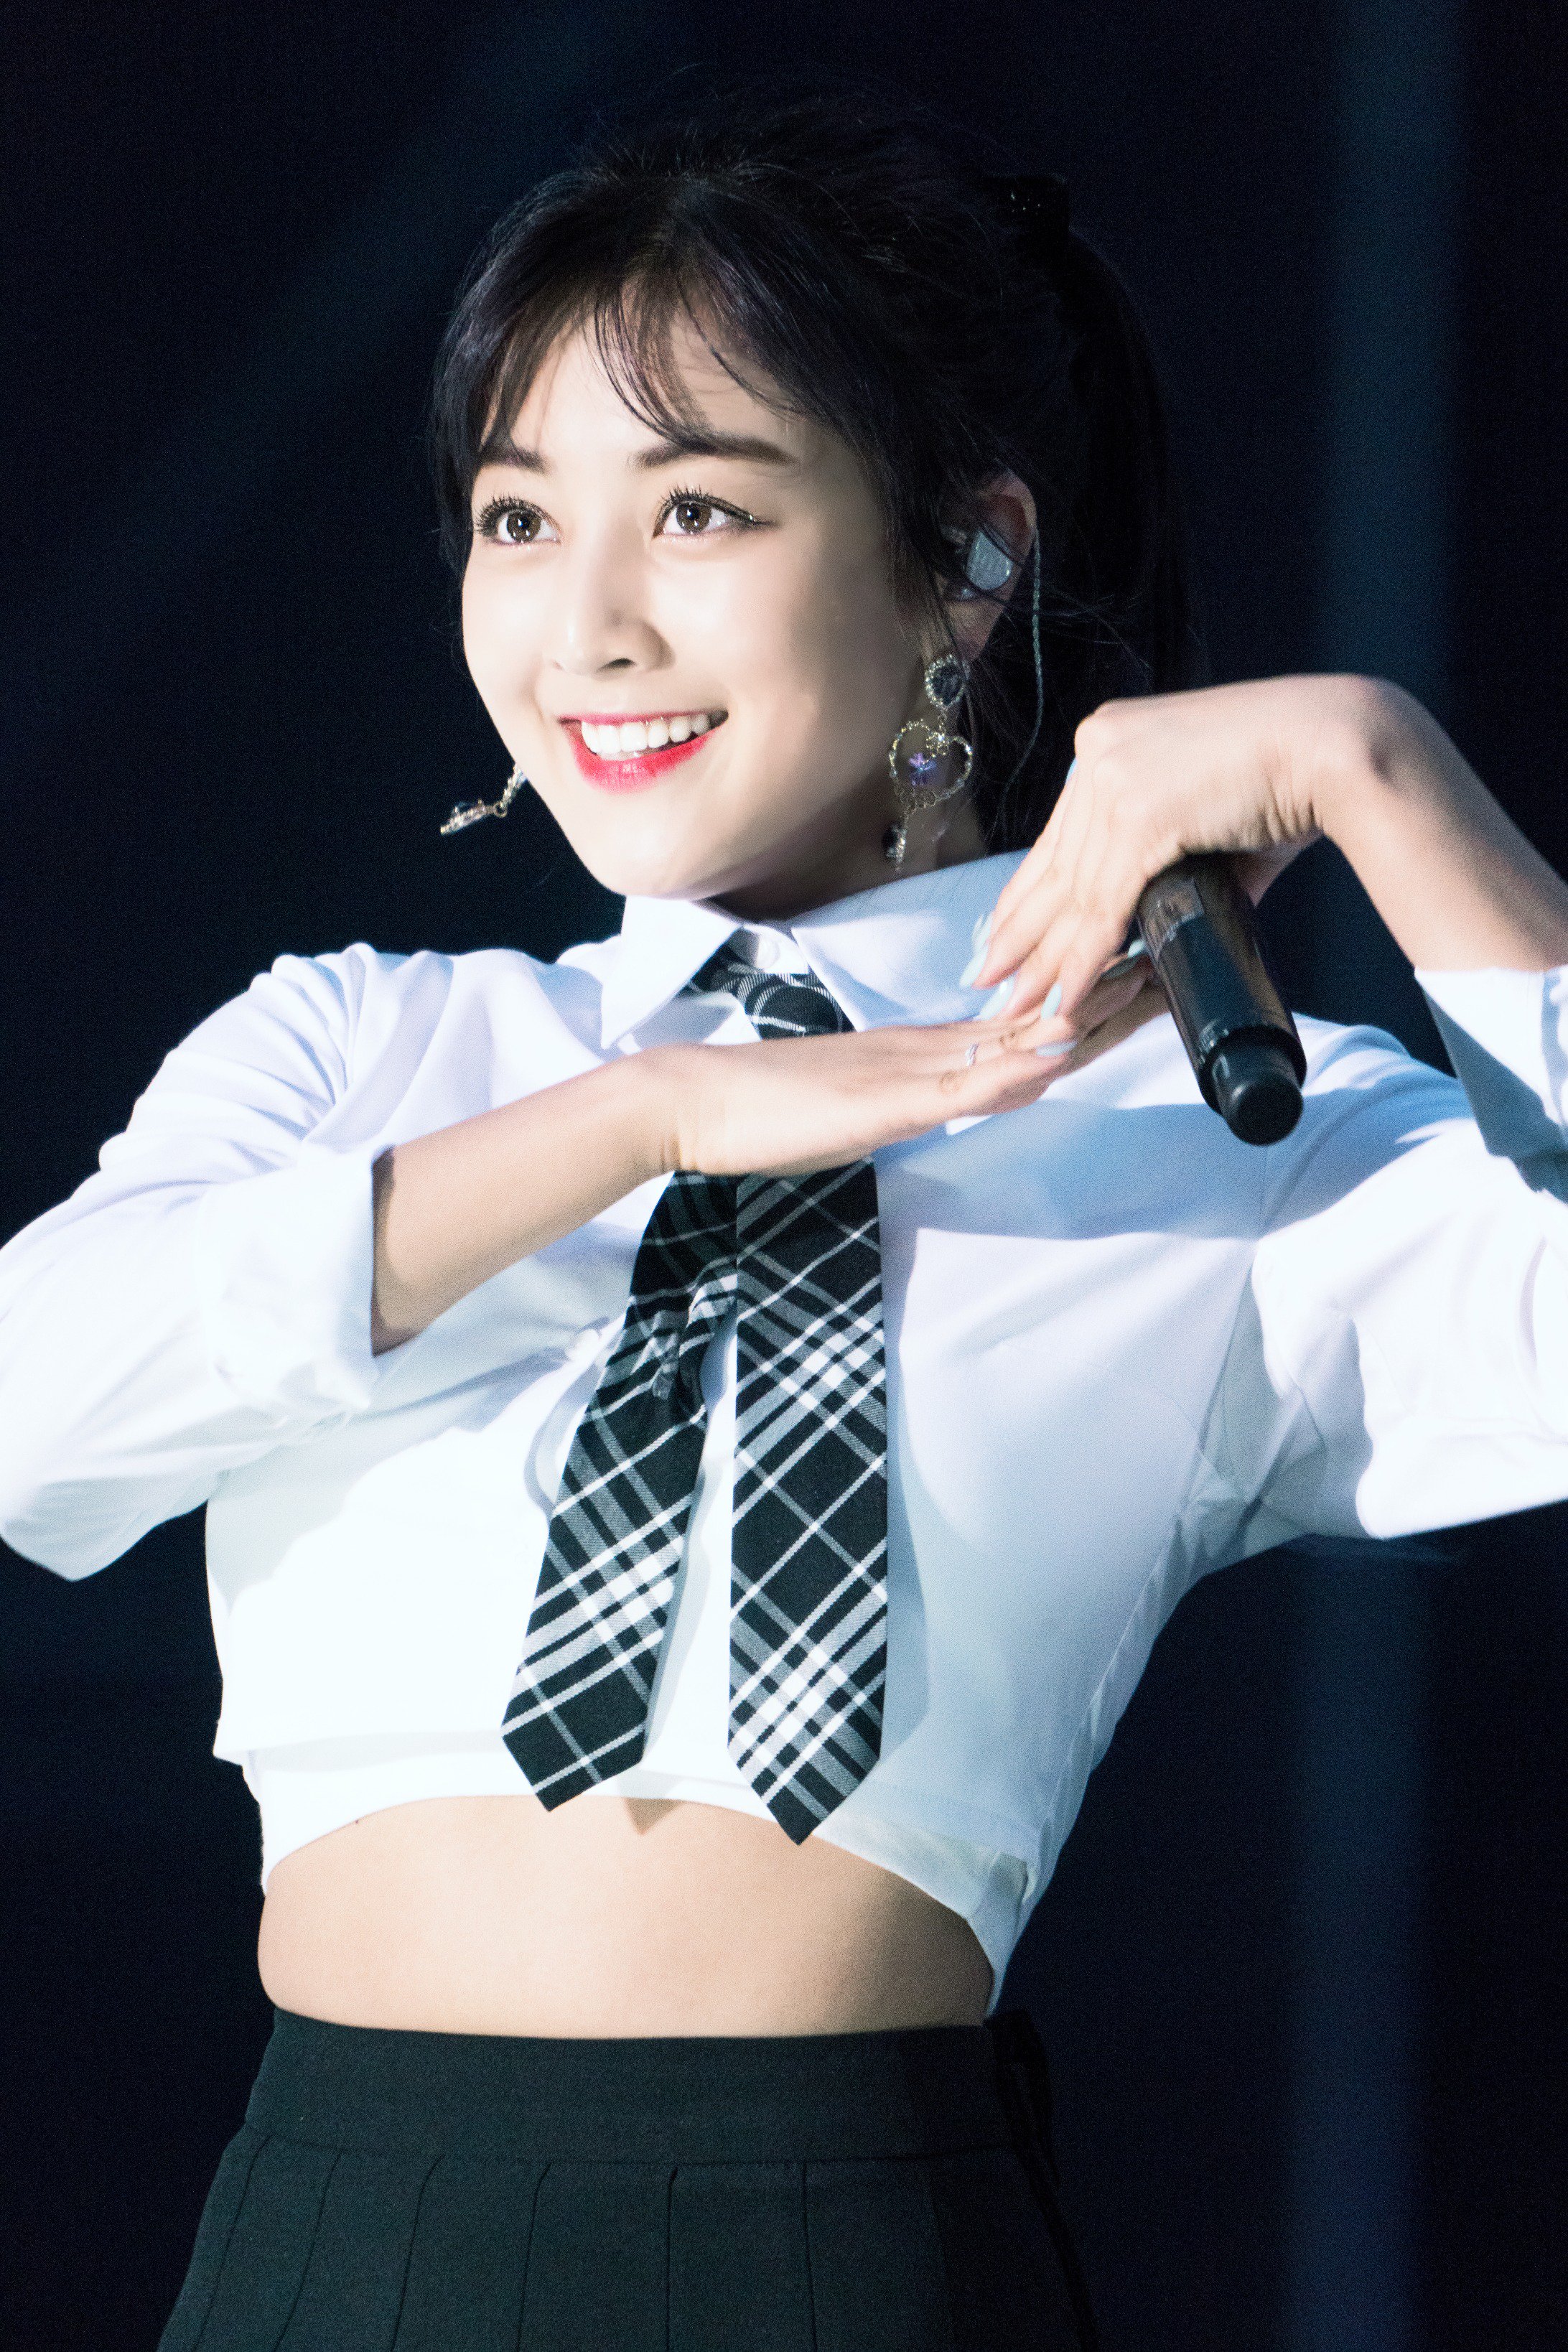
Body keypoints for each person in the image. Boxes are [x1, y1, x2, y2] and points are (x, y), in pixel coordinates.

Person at [4, 89, 1568, 2352]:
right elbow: (36, 1414)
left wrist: (1379, 769)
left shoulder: (1201, 1110)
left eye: (700, 508)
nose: (586, 623)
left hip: (851, 2253)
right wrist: (644, 1116)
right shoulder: (370, 1044)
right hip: (348, 2240)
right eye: (518, 517)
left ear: (969, 563)